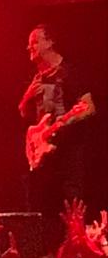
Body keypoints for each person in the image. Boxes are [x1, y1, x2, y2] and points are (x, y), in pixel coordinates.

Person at [18, 24, 96, 246]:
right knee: (44, 205)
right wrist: (27, 97)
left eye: (35, 41)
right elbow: (23, 113)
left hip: (68, 149)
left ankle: (75, 250)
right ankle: (48, 252)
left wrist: (63, 123)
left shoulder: (69, 73)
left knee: (71, 202)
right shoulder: (36, 77)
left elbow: (89, 107)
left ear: (50, 42)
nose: (29, 47)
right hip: (43, 153)